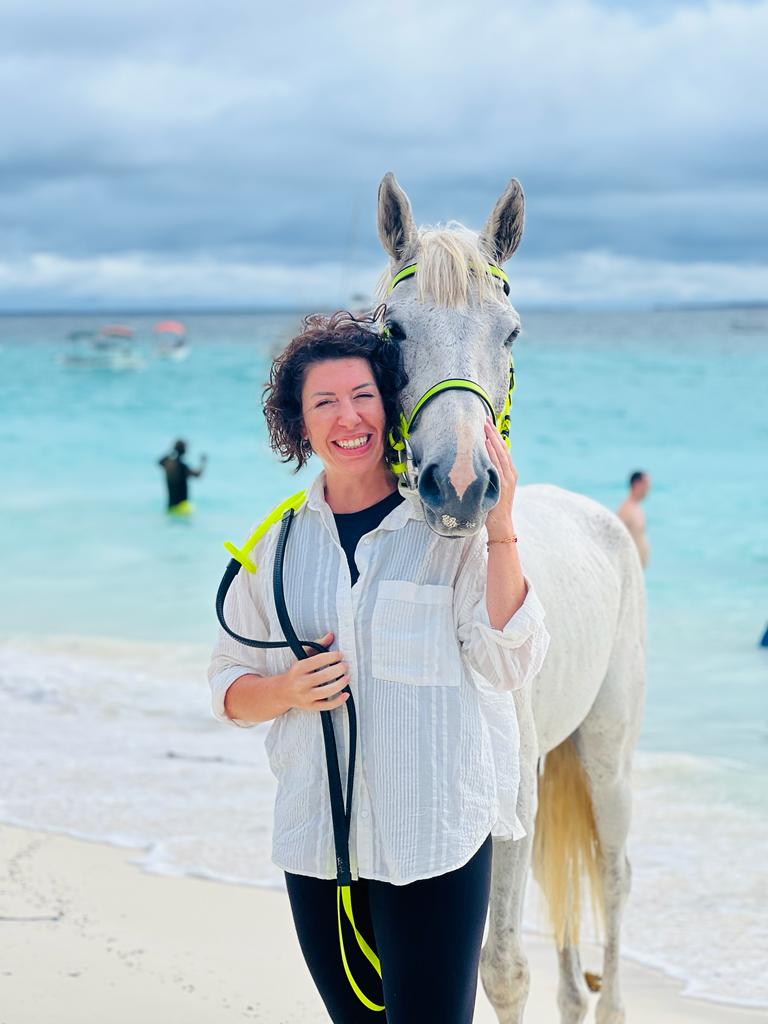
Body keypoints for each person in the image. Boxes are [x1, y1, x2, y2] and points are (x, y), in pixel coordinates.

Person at [207, 311, 550, 1024]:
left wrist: (500, 525)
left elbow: (510, 657)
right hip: (319, 847)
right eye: (324, 403)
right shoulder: (274, 546)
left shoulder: (446, 540)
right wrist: (285, 689)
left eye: (363, 396)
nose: (348, 417)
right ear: (298, 426)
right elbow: (229, 690)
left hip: (436, 843)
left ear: (390, 407)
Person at [157, 439, 206, 515]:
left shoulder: (167, 465)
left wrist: (172, 451)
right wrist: (203, 463)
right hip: (183, 507)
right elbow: (197, 475)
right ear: (184, 451)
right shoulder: (182, 467)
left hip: (171, 507)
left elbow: (159, 461)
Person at [617, 470, 651, 568]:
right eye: (646, 484)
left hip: (638, 568)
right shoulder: (626, 509)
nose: (648, 488)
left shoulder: (637, 507)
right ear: (637, 484)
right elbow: (617, 539)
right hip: (629, 568)